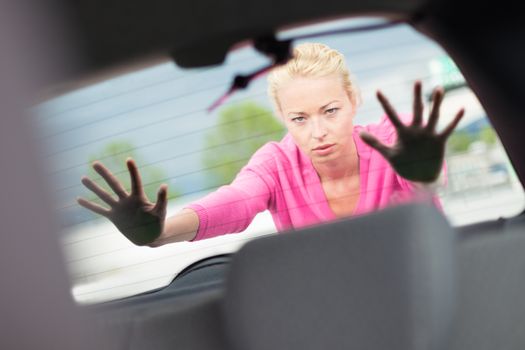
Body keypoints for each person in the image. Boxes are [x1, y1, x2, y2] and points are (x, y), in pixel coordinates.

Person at [77, 43, 464, 247]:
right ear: (282, 116)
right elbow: (237, 200)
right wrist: (160, 233)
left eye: (330, 110)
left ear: (353, 100)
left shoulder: (392, 141)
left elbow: (426, 179)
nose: (318, 132)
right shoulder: (278, 163)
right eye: (300, 118)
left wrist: (426, 174)